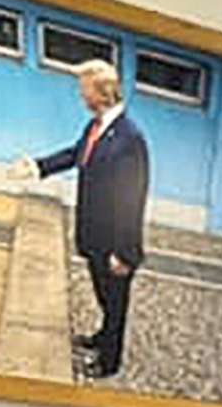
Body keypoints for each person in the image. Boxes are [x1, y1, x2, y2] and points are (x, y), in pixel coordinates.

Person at [15, 60, 149, 377]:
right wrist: (37, 167)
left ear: (101, 93)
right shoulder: (96, 126)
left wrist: (125, 252)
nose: (80, 96)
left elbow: (133, 198)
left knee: (115, 303)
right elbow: (76, 154)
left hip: (115, 243)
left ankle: (109, 362)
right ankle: (103, 337)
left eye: (84, 90)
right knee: (104, 296)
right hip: (94, 234)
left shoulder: (131, 138)